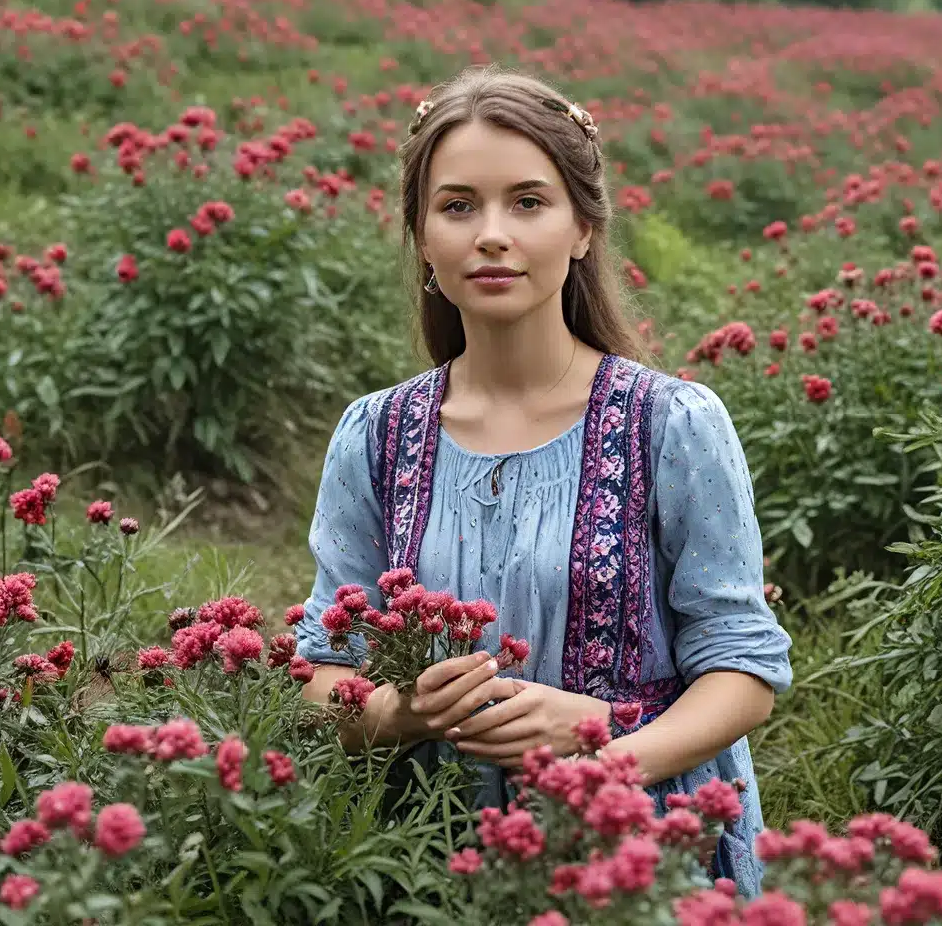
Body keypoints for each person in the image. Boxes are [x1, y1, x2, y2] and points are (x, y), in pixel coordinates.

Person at [294, 64, 793, 897]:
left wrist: (606, 748)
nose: (492, 234)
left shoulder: (670, 424)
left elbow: (743, 671)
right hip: (427, 869)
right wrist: (399, 712)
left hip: (641, 862)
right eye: (458, 206)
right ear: (422, 235)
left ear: (583, 228)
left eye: (528, 202)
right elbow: (321, 673)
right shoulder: (376, 436)